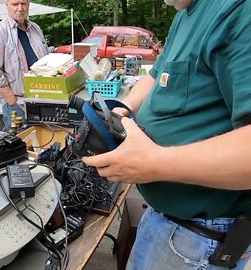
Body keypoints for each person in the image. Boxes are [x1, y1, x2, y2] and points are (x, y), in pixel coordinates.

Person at [83, 0, 251, 269]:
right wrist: (124, 109)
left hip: (200, 238)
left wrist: (152, 164)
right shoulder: (184, 14)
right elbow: (158, 74)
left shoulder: (238, 10)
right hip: (167, 221)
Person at [0, 0, 48, 131]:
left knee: (44, 142)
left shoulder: (36, 29)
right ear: (7, 5)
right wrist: (12, 101)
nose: (20, 8)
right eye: (15, 4)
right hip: (18, 103)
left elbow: (46, 61)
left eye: (23, 4)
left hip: (42, 100)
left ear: (29, 4)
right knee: (20, 146)